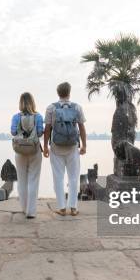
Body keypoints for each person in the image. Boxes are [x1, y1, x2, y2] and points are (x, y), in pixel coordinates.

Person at [43, 82, 87, 216]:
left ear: (58, 93)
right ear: (69, 92)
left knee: (58, 177)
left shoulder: (51, 108)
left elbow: (47, 129)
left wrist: (45, 146)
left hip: (56, 147)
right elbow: (81, 128)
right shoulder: (77, 107)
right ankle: (73, 208)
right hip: (73, 147)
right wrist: (84, 145)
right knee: (73, 177)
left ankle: (62, 208)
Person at [11, 92, 44, 218]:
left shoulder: (16, 117)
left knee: (22, 180)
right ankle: (31, 211)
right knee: (33, 180)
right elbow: (40, 133)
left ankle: (24, 208)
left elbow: (13, 132)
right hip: (34, 150)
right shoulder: (38, 117)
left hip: (19, 151)